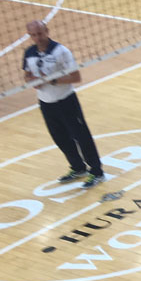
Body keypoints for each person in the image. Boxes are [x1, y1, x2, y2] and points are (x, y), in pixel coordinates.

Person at [23, 20, 104, 189]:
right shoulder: (29, 53)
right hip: (46, 103)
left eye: (40, 33)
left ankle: (97, 172)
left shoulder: (61, 51)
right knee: (59, 138)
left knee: (81, 137)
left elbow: (76, 77)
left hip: (66, 101)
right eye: (33, 35)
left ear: (47, 31)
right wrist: (33, 81)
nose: (38, 38)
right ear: (30, 36)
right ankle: (78, 168)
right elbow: (27, 75)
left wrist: (51, 80)